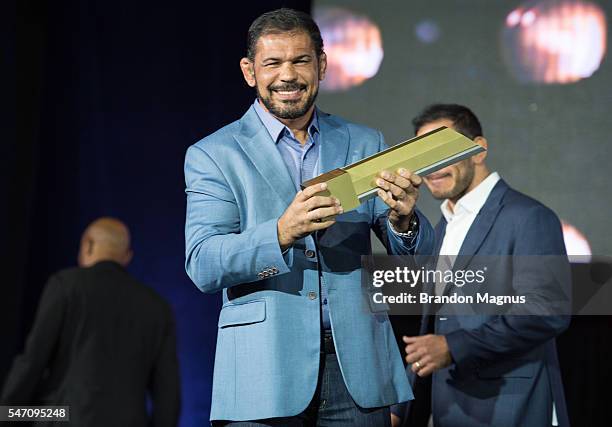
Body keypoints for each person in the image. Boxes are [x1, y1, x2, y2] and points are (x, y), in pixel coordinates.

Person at [183, 8, 434, 426]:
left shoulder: (364, 141)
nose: (288, 75)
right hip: (263, 370)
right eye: (273, 63)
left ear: (322, 65)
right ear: (249, 72)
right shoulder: (214, 154)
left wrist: (403, 222)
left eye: (300, 60)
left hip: (357, 367)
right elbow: (204, 264)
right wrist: (280, 233)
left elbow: (416, 264)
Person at [391, 104, 570, 427]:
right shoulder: (442, 224)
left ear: (479, 149)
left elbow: (547, 310)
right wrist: (398, 408)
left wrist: (453, 346)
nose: (432, 166)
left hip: (511, 408)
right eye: (422, 157)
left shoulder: (529, 217)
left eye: (442, 150)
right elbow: (433, 330)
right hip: (450, 409)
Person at [2, 218, 180, 427]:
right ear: (127, 256)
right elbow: (168, 397)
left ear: (88, 244)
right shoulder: (157, 307)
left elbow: (32, 362)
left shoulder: (65, 286)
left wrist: (8, 415)